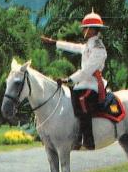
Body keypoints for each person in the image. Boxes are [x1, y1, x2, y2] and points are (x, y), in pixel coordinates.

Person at [40, 10, 108, 150]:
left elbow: (87, 70)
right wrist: (54, 43)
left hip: (93, 84)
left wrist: (69, 79)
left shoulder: (99, 49)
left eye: (85, 28)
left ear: (91, 30)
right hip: (83, 83)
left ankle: (87, 138)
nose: (83, 30)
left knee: (82, 100)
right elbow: (73, 47)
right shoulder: (89, 44)